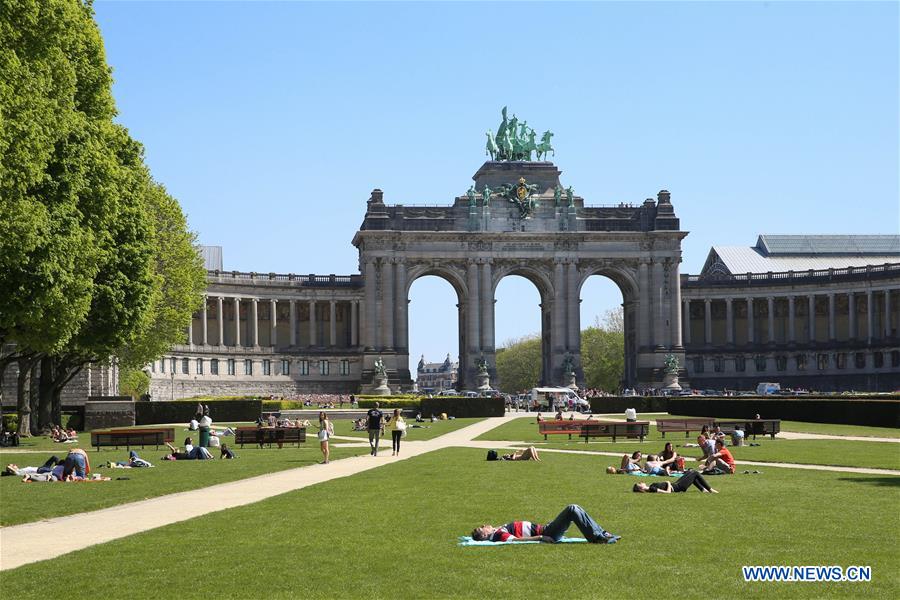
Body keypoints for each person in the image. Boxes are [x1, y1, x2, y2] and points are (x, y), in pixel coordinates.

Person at [470, 504, 620, 544]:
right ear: (485, 534)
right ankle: (596, 538)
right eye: (483, 527)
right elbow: (515, 540)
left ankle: (601, 533)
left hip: (547, 528)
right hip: (548, 532)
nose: (486, 524)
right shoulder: (499, 535)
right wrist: (541, 537)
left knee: (576, 509)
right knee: (572, 509)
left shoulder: (496, 531)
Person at [633, 471, 718, 493]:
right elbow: (668, 492)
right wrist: (668, 483)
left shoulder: (651, 487)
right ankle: (710, 489)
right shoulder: (651, 488)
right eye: (640, 483)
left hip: (676, 484)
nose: (641, 482)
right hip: (678, 486)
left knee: (690, 473)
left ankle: (703, 489)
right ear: (641, 487)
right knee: (695, 473)